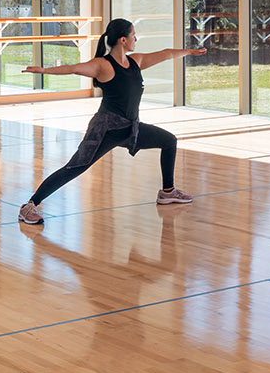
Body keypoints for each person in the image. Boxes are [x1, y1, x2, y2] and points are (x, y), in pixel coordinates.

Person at [17, 18, 204, 225]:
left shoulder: (136, 61)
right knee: (75, 167)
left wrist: (188, 52)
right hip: (105, 131)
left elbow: (166, 54)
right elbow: (74, 68)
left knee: (169, 141)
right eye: (133, 35)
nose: (136, 39)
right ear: (123, 40)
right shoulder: (103, 65)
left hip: (130, 129)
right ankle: (29, 206)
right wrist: (44, 71)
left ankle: (168, 192)